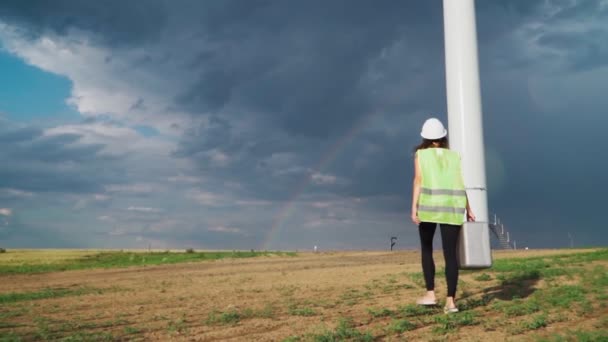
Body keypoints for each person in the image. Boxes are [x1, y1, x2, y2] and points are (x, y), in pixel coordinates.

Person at [410, 117, 475, 314]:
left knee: (427, 249)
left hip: (429, 207)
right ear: (443, 135)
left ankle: (430, 294)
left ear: (424, 137)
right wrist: (469, 207)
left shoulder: (421, 155)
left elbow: (418, 180)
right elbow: (459, 183)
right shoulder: (454, 156)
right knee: (451, 255)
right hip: (453, 208)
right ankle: (451, 302)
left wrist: (414, 207)